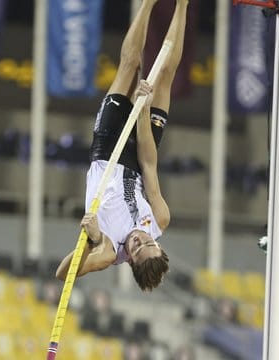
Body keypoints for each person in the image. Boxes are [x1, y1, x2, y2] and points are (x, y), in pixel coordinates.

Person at [56, 0, 189, 291]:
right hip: (140, 155)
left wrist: (93, 239)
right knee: (164, 77)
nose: (140, 238)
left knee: (131, 66)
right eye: (149, 242)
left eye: (138, 247)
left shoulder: (107, 252)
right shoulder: (158, 220)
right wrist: (142, 113)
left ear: (130, 260)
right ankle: (181, 5)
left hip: (107, 151)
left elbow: (62, 273)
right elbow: (149, 164)